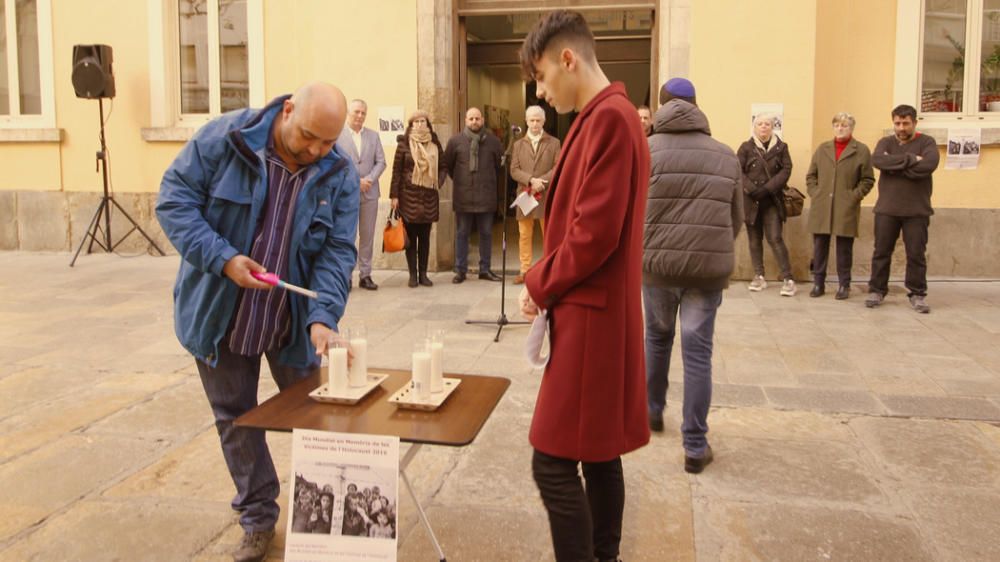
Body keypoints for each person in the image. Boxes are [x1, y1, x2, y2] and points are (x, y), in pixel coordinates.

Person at [156, 82, 358, 562]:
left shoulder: (339, 171)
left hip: (292, 322)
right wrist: (223, 259)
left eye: (328, 142)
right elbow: (173, 201)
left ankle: (324, 520)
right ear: (287, 110)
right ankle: (257, 519)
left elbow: (337, 252)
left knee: (317, 417)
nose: (315, 150)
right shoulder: (225, 138)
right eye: (309, 136)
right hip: (219, 314)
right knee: (237, 420)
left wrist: (323, 317)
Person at [517, 11, 650, 562]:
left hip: (591, 315)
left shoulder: (610, 119)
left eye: (543, 77)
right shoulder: (601, 116)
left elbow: (593, 235)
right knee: (597, 454)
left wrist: (538, 280)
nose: (542, 93)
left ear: (567, 59)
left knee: (550, 460)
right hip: (594, 311)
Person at [642, 78, 742, 474]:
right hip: (706, 270)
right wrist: (711, 248)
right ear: (697, 106)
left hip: (657, 269)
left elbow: (629, 214)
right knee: (698, 353)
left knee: (656, 337)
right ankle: (695, 446)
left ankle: (651, 412)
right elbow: (736, 217)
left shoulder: (644, 151)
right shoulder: (725, 154)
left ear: (662, 106)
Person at [866, 104, 940, 313]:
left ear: (914, 123)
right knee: (881, 252)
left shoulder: (927, 142)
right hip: (887, 209)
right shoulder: (886, 142)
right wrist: (910, 160)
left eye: (905, 123)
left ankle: (917, 293)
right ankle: (877, 290)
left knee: (916, 254)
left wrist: (895, 166)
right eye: (897, 123)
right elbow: (878, 160)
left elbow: (929, 165)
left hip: (917, 210)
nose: (901, 127)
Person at [805, 112, 875, 300]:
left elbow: (867, 179)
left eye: (844, 125)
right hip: (822, 204)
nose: (840, 128)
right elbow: (811, 175)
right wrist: (815, 192)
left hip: (845, 205)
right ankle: (818, 283)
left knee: (844, 248)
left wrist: (854, 196)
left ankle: (844, 284)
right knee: (820, 246)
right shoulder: (823, 148)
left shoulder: (860, 150)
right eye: (837, 125)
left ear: (851, 128)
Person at [738, 113, 796, 296]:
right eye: (760, 124)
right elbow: (737, 170)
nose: (763, 127)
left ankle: (788, 279)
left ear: (773, 127)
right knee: (754, 241)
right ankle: (759, 276)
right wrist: (751, 189)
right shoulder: (746, 147)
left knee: (775, 238)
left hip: (771, 201)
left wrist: (768, 188)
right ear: (754, 127)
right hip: (751, 202)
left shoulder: (781, 147)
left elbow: (786, 170)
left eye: (767, 124)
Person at [445, 107, 504, 283]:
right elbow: (448, 165)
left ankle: (485, 269)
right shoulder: (455, 141)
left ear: (483, 120)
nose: (474, 122)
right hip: (463, 196)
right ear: (465, 120)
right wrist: (462, 180)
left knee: (486, 233)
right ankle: (460, 270)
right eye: (471, 119)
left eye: (477, 118)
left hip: (486, 196)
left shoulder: (494, 142)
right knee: (462, 233)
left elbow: (499, 168)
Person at [389, 110, 447, 288]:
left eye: (423, 121)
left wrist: (438, 181)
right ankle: (412, 275)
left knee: (425, 238)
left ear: (428, 124)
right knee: (410, 238)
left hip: (428, 196)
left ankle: (423, 274)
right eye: (416, 122)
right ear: (411, 125)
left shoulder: (435, 144)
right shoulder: (404, 144)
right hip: (408, 196)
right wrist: (394, 195)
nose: (420, 124)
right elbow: (396, 171)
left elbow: (443, 166)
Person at [336, 99, 386, 291]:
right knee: (347, 236)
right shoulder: (337, 136)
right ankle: (346, 276)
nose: (360, 116)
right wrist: (357, 182)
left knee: (367, 236)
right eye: (356, 112)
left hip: (370, 193)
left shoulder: (373, 136)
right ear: (349, 112)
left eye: (363, 113)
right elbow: (335, 163)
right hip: (346, 194)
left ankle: (365, 275)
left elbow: (381, 162)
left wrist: (369, 180)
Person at [509, 105, 561, 284]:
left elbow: (558, 167)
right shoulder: (517, 144)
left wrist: (541, 182)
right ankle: (525, 270)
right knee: (524, 234)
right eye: (531, 120)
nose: (535, 123)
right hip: (525, 194)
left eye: (538, 120)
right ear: (526, 121)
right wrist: (531, 180)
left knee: (549, 233)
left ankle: (549, 270)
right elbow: (514, 170)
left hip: (545, 194)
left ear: (544, 121)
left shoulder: (554, 143)